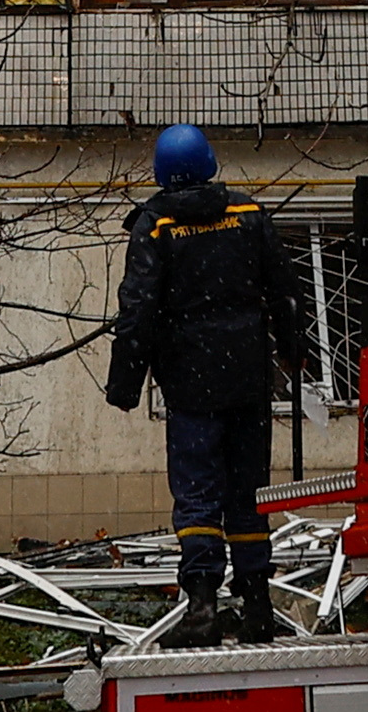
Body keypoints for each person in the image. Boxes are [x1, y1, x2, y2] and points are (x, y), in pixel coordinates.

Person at [105, 121, 290, 640]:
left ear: (162, 174)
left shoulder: (156, 225)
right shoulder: (249, 214)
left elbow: (137, 309)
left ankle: (203, 608)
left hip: (191, 388)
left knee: (197, 494)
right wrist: (298, 355)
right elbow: (285, 291)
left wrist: (124, 384)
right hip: (250, 382)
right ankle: (257, 607)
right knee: (248, 493)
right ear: (209, 163)